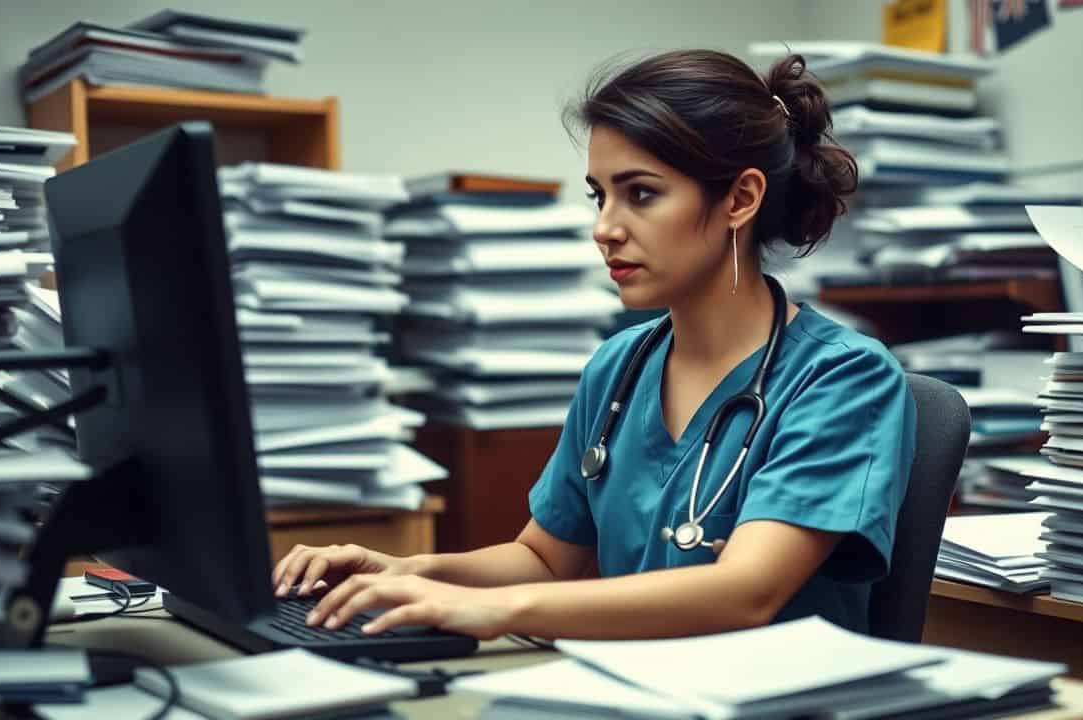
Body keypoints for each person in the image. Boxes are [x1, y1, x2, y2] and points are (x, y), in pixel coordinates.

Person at [271, 49, 916, 642]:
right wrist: (409, 570)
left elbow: (744, 593)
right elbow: (547, 559)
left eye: (641, 194)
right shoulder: (620, 365)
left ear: (741, 199)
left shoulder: (844, 378)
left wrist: (501, 611)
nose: (604, 228)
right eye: (599, 195)